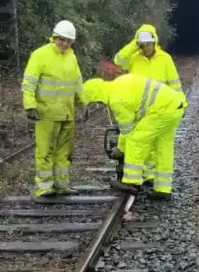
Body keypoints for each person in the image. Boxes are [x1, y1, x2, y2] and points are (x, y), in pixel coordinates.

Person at [79, 73, 186, 199]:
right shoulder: (118, 84)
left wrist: (120, 149)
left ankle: (131, 182)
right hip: (174, 105)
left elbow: (127, 131)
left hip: (161, 110)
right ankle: (163, 189)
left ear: (97, 96)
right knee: (163, 147)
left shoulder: (116, 100)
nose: (98, 103)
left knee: (135, 141)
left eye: (95, 101)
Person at [112, 24, 183, 191]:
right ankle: (149, 176)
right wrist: (133, 44)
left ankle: (151, 179)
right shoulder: (133, 58)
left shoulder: (165, 59)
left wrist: (180, 103)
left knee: (157, 145)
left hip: (161, 107)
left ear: (154, 42)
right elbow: (118, 61)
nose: (146, 47)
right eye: (142, 44)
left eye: (148, 44)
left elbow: (174, 83)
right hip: (140, 107)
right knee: (144, 144)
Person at [21, 20, 83, 197]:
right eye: (61, 39)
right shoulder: (40, 55)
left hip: (67, 114)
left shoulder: (71, 58)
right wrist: (30, 105)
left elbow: (78, 83)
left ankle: (61, 185)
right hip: (46, 113)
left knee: (64, 152)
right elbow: (29, 83)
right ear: (54, 37)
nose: (64, 43)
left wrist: (83, 103)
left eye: (68, 41)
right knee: (45, 151)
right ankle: (44, 187)